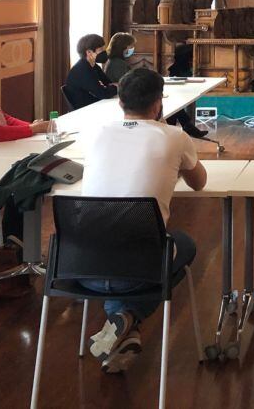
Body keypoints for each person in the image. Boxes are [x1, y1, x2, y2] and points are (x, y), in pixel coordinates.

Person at [82, 68, 208, 373]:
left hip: (82, 266)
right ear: (157, 104)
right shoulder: (174, 137)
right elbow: (199, 182)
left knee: (120, 250)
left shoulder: (98, 133)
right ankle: (128, 318)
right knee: (184, 245)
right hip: (140, 268)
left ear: (120, 102)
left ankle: (121, 325)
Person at [64, 33, 117, 109]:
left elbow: (108, 82)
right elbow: (103, 94)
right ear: (89, 52)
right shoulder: (82, 70)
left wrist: (112, 87)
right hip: (84, 110)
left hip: (93, 104)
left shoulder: (93, 65)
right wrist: (116, 87)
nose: (104, 52)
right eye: (101, 50)